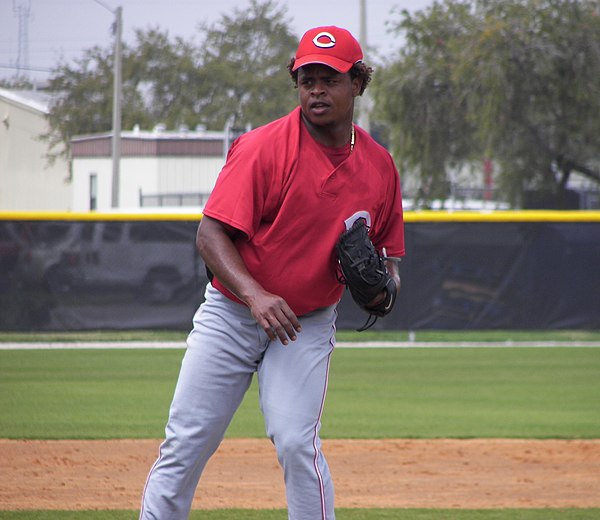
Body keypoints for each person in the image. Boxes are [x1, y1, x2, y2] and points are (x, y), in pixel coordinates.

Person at [139, 25, 405, 519]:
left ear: (357, 84)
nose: (317, 89)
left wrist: (383, 293)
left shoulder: (379, 167)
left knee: (295, 443)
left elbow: (388, 257)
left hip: (305, 323)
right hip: (233, 312)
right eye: (307, 79)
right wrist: (257, 295)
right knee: (186, 442)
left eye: (330, 78)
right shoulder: (263, 148)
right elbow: (210, 235)